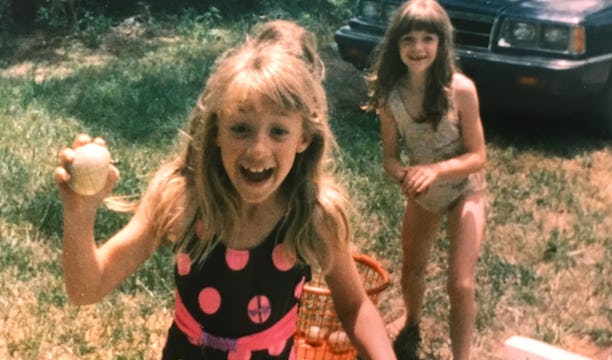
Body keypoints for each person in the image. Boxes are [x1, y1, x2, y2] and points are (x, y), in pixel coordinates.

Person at [55, 38, 396, 359]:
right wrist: (80, 212)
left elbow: (355, 307)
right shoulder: (182, 201)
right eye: (240, 128)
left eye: (278, 131)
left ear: (304, 138)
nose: (258, 149)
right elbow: (86, 290)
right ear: (215, 130)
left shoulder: (313, 215)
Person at [364, 0, 487, 359]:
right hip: (424, 191)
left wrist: (434, 169)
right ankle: (412, 322)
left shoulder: (460, 89)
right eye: (409, 39)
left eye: (427, 39)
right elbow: (390, 156)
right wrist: (402, 174)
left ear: (441, 43)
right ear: (396, 45)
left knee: (460, 283)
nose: (418, 48)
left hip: (466, 188)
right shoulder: (391, 95)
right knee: (412, 267)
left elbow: (479, 156)